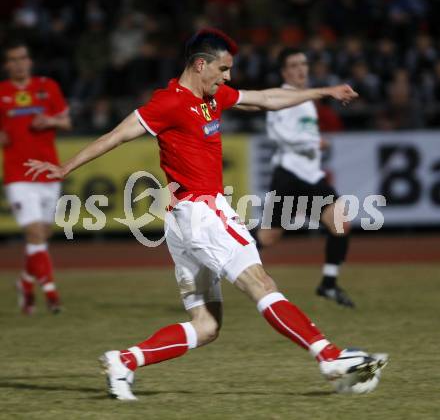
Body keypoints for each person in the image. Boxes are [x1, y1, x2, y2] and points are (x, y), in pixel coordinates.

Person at [25, 29, 388, 400]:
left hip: (184, 221)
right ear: (201, 64)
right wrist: (65, 167)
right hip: (203, 214)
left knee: (207, 325)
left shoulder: (211, 97)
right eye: (224, 69)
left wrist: (322, 92)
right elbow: (117, 135)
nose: (228, 77)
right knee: (261, 284)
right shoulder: (169, 102)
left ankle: (125, 361)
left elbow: (265, 98)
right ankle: (330, 358)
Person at [253, 48, 355, 308]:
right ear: (284, 72)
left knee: (338, 223)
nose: (301, 69)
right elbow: (278, 136)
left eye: (303, 64)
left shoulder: (306, 98)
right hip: (290, 175)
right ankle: (220, 258)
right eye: (294, 65)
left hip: (309, 176)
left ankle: (328, 284)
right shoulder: (282, 97)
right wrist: (313, 142)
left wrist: (312, 143)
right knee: (268, 238)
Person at [0, 40, 71, 314]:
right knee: (34, 232)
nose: (19, 63)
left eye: (22, 58)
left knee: (42, 234)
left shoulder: (47, 86)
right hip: (17, 174)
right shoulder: (2, 92)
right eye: (13, 59)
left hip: (48, 171)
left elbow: (65, 121)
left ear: (29, 61)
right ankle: (51, 293)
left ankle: (25, 282)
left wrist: (50, 121)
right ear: (7, 65)